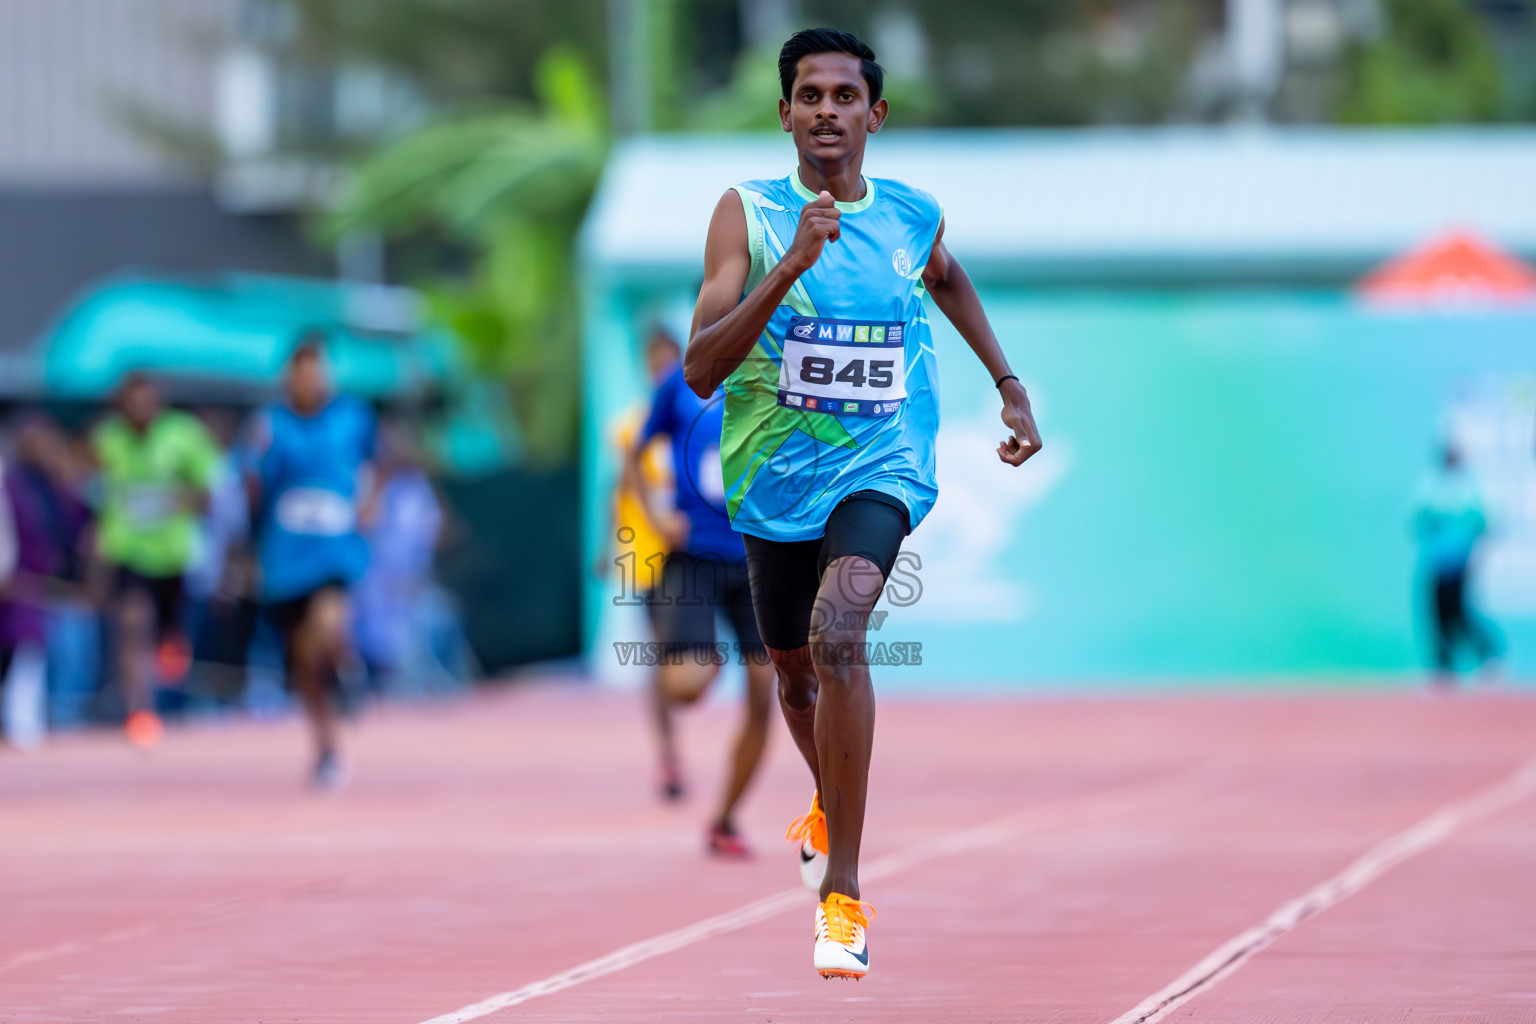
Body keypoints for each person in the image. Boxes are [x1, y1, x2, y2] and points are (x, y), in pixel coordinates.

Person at [682, 28, 1042, 978]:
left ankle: (841, 894)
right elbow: (701, 368)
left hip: (881, 465)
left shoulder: (912, 217)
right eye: (810, 96)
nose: (827, 111)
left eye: (846, 96)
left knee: (842, 634)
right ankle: (824, 800)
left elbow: (949, 279)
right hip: (770, 484)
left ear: (874, 115)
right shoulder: (748, 216)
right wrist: (791, 267)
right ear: (785, 113)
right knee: (795, 676)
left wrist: (1006, 381)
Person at [626, 325, 777, 858]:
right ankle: (665, 686)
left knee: (769, 691)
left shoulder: (774, 374)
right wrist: (655, 517)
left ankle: (726, 818)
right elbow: (634, 457)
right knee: (690, 684)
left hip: (757, 555)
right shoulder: (676, 384)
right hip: (692, 556)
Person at [242, 336, 378, 788]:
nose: (309, 380)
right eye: (300, 372)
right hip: (284, 557)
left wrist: (370, 502)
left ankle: (348, 665)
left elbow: (382, 462)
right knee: (303, 661)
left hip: (334, 549)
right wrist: (244, 550)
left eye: (316, 370)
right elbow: (250, 485)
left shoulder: (352, 418)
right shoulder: (268, 425)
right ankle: (325, 746)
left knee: (328, 627)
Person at [92, 374, 221, 746]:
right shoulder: (108, 439)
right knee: (132, 625)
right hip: (128, 551)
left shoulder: (184, 435)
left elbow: (209, 490)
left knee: (170, 635)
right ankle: (141, 710)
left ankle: (171, 648)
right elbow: (97, 491)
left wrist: (179, 500)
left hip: (174, 554)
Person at [595, 330, 681, 796]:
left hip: (694, 549)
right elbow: (619, 489)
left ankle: (680, 706)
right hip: (650, 551)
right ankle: (668, 753)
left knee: (683, 653)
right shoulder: (634, 426)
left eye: (669, 361)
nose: (662, 371)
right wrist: (605, 548)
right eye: (654, 363)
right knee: (662, 648)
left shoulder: (696, 416)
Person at [1414, 443, 1501, 687]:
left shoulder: (1469, 487)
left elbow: (1481, 524)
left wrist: (1474, 556)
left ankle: (1490, 655)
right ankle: (1443, 666)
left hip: (1460, 561)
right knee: (1437, 613)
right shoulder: (1431, 484)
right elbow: (1419, 520)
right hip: (1436, 563)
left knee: (1460, 611)